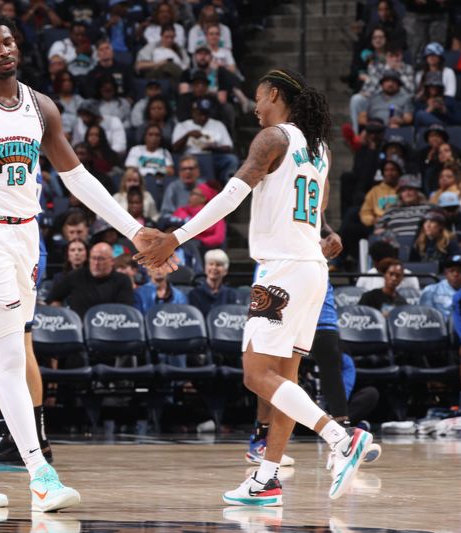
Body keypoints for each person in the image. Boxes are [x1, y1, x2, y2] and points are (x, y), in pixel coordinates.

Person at [0, 13, 168, 512]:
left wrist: (134, 229)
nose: (4, 48)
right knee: (7, 354)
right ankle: (40, 473)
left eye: (9, 40)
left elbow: (78, 178)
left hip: (25, 236)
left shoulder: (40, 106)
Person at [136, 68, 375, 505]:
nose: (255, 106)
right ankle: (267, 478)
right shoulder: (318, 148)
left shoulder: (273, 138)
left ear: (277, 95)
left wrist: (175, 237)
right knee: (285, 378)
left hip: (282, 269)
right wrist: (324, 231)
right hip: (312, 269)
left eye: (259, 97)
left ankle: (341, 437)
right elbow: (315, 203)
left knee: (255, 374)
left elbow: (231, 195)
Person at [46, 242, 135, 317]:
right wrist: (63, 316)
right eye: (93, 258)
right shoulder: (76, 276)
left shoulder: (122, 280)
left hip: (112, 329)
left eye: (101, 259)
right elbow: (52, 298)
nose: (96, 263)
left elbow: (126, 310)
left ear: (112, 261)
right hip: (80, 331)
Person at [172, 98, 237, 183]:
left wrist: (213, 147)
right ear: (193, 112)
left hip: (212, 156)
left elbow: (228, 147)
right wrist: (187, 135)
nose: (203, 117)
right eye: (200, 114)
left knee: (231, 159)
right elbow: (174, 148)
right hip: (189, 157)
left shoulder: (217, 124)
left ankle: (228, 186)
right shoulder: (182, 125)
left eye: (205, 114)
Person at [187, 249, 238, 318]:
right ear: (205, 268)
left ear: (225, 271)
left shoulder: (231, 294)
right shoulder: (194, 294)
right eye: (211, 264)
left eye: (218, 265)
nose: (214, 267)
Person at [420, 255, 461, 320]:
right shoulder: (430, 290)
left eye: (460, 271)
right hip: (438, 328)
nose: (455, 274)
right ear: (445, 273)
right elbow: (425, 316)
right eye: (452, 271)